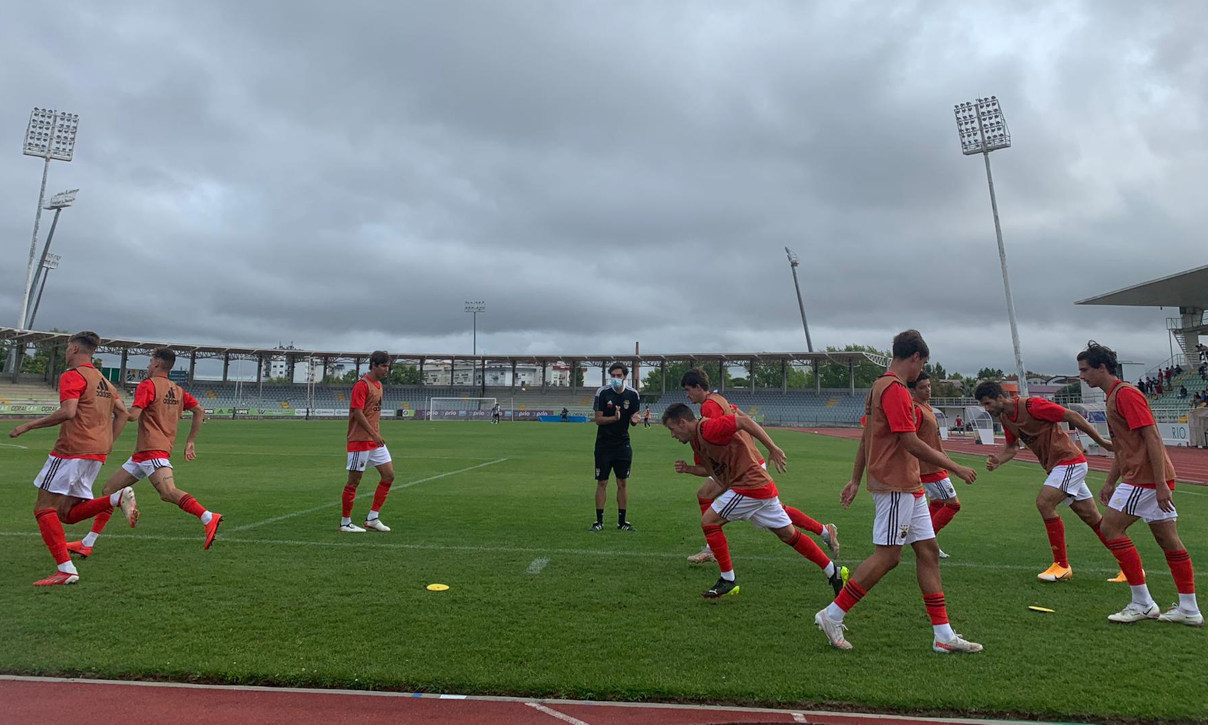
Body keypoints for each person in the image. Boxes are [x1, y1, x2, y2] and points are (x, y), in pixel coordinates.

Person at [815, 330, 983, 653]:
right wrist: (956, 466)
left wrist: (854, 479)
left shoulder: (880, 386)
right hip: (895, 485)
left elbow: (867, 437)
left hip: (909, 484)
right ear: (916, 357)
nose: (922, 373)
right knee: (889, 556)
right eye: (923, 364)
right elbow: (909, 441)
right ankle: (832, 613)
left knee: (929, 551)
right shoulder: (894, 390)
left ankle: (943, 635)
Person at [663, 403, 846, 599]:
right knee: (788, 535)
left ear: (682, 423)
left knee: (709, 521)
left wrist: (772, 448)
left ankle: (728, 580)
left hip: (749, 485)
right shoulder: (696, 441)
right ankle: (833, 572)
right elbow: (711, 471)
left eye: (672, 429)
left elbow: (743, 421)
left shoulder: (708, 428)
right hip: (758, 487)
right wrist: (688, 469)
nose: (672, 435)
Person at [1078, 341, 1201, 626]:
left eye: (1085, 370)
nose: (1082, 376)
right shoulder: (1114, 396)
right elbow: (1124, 447)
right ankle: (1189, 609)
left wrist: (1160, 483)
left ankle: (1143, 603)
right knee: (1167, 540)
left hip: (1145, 479)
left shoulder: (1125, 395)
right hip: (1144, 477)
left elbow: (1152, 438)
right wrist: (1110, 482)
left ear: (1102, 367)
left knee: (1110, 528)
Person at [9, 331, 137, 586]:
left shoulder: (72, 376)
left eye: (68, 348)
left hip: (71, 450)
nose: (67, 353)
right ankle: (115, 498)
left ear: (75, 349)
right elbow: (124, 414)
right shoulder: (105, 383)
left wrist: (29, 426)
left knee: (44, 508)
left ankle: (66, 570)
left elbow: (68, 411)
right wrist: (108, 441)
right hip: (96, 452)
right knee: (66, 513)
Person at [66, 347, 221, 557]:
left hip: (152, 451)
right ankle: (87, 543)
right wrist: (190, 441)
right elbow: (199, 411)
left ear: (157, 363)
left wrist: (110, 402)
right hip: (143, 454)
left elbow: (132, 416)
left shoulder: (147, 385)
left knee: (168, 493)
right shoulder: (177, 390)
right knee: (109, 490)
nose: (148, 365)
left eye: (150, 362)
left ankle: (208, 517)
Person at [679, 367, 838, 565]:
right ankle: (824, 531)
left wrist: (764, 447)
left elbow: (730, 430)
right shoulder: (719, 399)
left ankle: (712, 548)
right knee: (777, 511)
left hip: (741, 465)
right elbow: (741, 417)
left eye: (688, 390)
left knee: (707, 497)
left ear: (698, 387)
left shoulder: (708, 408)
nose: (687, 395)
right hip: (748, 460)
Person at [975, 380, 1121, 583]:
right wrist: (998, 461)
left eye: (988, 403)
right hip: (1058, 467)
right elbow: (1012, 447)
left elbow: (1072, 415)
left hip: (1070, 462)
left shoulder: (1032, 405)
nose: (986, 408)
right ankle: (1130, 566)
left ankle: (1061, 565)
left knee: (1044, 503)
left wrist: (1102, 443)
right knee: (1093, 519)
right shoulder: (1005, 418)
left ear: (1000, 397)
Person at [340, 351, 395, 533]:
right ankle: (345, 522)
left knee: (389, 475)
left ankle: (373, 517)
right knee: (354, 481)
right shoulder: (362, 386)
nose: (387, 369)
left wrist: (375, 435)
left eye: (388, 366)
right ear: (373, 365)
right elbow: (357, 412)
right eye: (384, 366)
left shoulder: (379, 385)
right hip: (360, 440)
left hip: (374, 440)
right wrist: (374, 434)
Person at [909, 371, 957, 559]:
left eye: (929, 386)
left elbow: (934, 440)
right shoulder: (916, 410)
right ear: (913, 390)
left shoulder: (927, 408)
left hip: (936, 465)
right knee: (953, 505)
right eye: (922, 387)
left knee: (937, 503)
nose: (927, 389)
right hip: (929, 468)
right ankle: (928, 543)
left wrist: (947, 461)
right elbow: (911, 440)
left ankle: (926, 541)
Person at [589, 362, 641, 532]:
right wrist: (614, 418)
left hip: (623, 445)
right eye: (613, 375)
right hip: (604, 445)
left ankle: (622, 522)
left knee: (622, 482)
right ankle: (598, 522)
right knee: (602, 482)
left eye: (619, 376)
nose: (616, 379)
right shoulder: (602, 392)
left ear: (625, 377)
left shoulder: (633, 395)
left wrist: (635, 420)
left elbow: (635, 416)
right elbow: (598, 419)